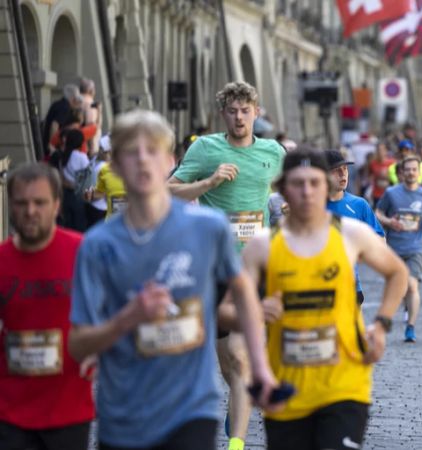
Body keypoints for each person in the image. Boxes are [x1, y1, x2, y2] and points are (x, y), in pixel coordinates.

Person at [67, 109, 281, 450]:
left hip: (190, 409)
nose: (142, 161)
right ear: (115, 167)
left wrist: (260, 367)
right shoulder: (96, 246)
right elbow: (77, 344)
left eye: (152, 151)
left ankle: (236, 438)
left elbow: (241, 294)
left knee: (234, 361)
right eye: (130, 153)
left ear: (169, 161)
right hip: (124, 412)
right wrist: (128, 319)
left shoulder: (207, 229)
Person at [241, 149, 407, 450]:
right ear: (282, 189)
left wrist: (381, 325)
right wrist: (253, 311)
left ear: (326, 187)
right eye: (297, 183)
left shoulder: (351, 234)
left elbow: (398, 273)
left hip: (344, 385)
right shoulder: (262, 246)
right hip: (286, 386)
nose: (307, 191)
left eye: (314, 183)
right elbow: (228, 309)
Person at [167, 81, 284, 450]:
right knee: (228, 365)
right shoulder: (205, 148)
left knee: (238, 355)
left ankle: (236, 443)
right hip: (214, 267)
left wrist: (288, 206)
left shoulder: (272, 151)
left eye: (245, 111)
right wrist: (209, 182)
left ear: (257, 113)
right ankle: (242, 406)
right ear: (224, 114)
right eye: (232, 111)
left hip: (254, 268)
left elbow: (292, 189)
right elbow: (168, 190)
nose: (239, 117)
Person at [0, 164, 94, 450]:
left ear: (56, 205)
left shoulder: (84, 253)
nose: (30, 211)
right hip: (9, 411)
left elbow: (109, 312)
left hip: (69, 409)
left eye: (39, 202)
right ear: (10, 205)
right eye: (21, 203)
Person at [376, 156, 422, 342]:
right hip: (394, 247)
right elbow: (378, 213)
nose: (411, 173)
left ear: (419, 173)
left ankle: (410, 326)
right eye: (407, 170)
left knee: (411, 285)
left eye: (414, 169)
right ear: (401, 173)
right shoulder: (391, 193)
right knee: (400, 287)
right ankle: (404, 307)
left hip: (416, 247)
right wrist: (390, 222)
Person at [326, 149, 386, 304]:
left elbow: (379, 238)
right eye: (336, 171)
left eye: (345, 169)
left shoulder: (359, 205)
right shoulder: (312, 205)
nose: (343, 174)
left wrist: (361, 252)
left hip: (351, 283)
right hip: (319, 284)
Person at [42, 84, 81, 159]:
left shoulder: (59, 104)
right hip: (52, 147)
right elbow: (55, 124)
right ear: (73, 98)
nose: (77, 101)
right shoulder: (65, 107)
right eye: (77, 98)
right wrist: (52, 144)